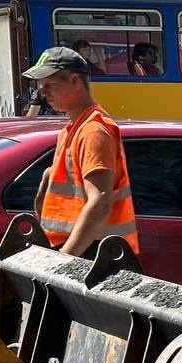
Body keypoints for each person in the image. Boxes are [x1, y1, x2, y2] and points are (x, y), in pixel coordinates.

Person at [25, 47, 138, 259]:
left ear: (74, 80)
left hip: (93, 254)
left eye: (49, 85)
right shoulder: (73, 129)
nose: (43, 93)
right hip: (83, 251)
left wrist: (64, 259)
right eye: (40, 87)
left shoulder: (93, 131)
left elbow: (100, 201)